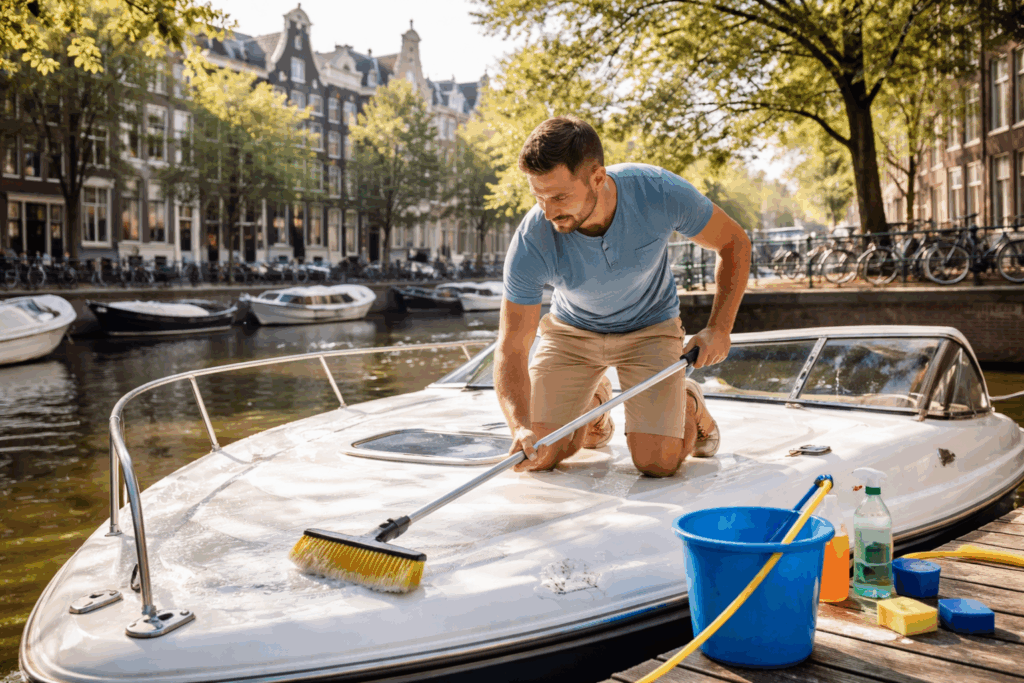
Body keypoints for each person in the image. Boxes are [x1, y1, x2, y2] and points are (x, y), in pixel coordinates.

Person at [495, 116, 751, 477]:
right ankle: (596, 404)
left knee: (656, 463)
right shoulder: (531, 239)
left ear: (597, 178)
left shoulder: (659, 191)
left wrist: (719, 328)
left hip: (650, 328)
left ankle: (688, 401)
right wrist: (519, 425)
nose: (549, 212)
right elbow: (512, 347)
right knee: (539, 454)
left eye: (559, 197)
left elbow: (733, 242)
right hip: (571, 334)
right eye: (538, 197)